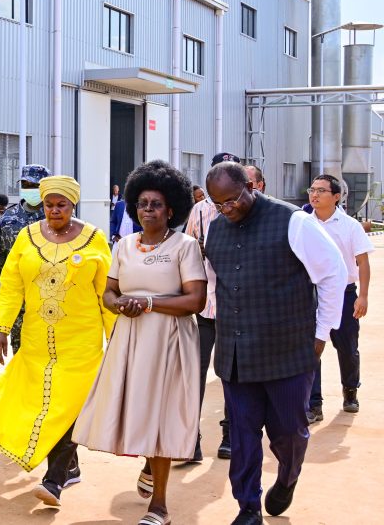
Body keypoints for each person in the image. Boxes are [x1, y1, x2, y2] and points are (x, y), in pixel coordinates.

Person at [204, 162, 345, 524]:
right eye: (218, 203)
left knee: (289, 433)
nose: (226, 209)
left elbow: (333, 272)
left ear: (251, 187)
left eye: (232, 200)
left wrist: (321, 333)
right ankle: (247, 507)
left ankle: (287, 476)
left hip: (287, 352)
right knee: (243, 436)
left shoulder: (292, 221)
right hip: (237, 356)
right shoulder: (215, 230)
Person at [0, 176, 114, 507]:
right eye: (49, 205)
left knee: (69, 407)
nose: (55, 211)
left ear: (73, 205)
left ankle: (54, 480)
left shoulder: (94, 239)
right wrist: (1, 328)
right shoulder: (26, 237)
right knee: (42, 406)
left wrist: (114, 339)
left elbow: (106, 293)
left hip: (81, 342)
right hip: (35, 340)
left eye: (61, 205)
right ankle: (69, 467)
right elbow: (12, 283)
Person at [74, 160, 207, 525]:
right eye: (143, 203)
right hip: (130, 339)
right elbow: (110, 291)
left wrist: (148, 302)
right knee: (139, 411)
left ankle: (160, 507)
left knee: (161, 417)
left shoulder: (185, 246)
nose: (148, 210)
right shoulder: (124, 246)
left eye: (156, 204)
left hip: (169, 340)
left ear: (171, 210)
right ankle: (150, 465)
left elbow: (195, 301)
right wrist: (117, 304)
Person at [183, 151, 241, 462]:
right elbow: (188, 251)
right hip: (204, 307)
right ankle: (191, 439)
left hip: (236, 309)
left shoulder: (245, 209)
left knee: (231, 375)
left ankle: (230, 433)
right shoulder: (199, 211)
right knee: (194, 373)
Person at [305, 174, 373, 422]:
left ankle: (350, 390)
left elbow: (363, 262)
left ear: (336, 197)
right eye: (312, 189)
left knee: (346, 347)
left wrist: (362, 296)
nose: (314, 194)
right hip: (312, 294)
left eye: (321, 191)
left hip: (343, 294)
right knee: (312, 347)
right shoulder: (304, 224)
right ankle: (314, 404)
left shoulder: (349, 226)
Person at [0, 164, 50, 354]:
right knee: (21, 357)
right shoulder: (8, 218)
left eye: (34, 185)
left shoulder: (56, 215)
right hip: (18, 303)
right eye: (25, 184)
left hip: (49, 300)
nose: (29, 189)